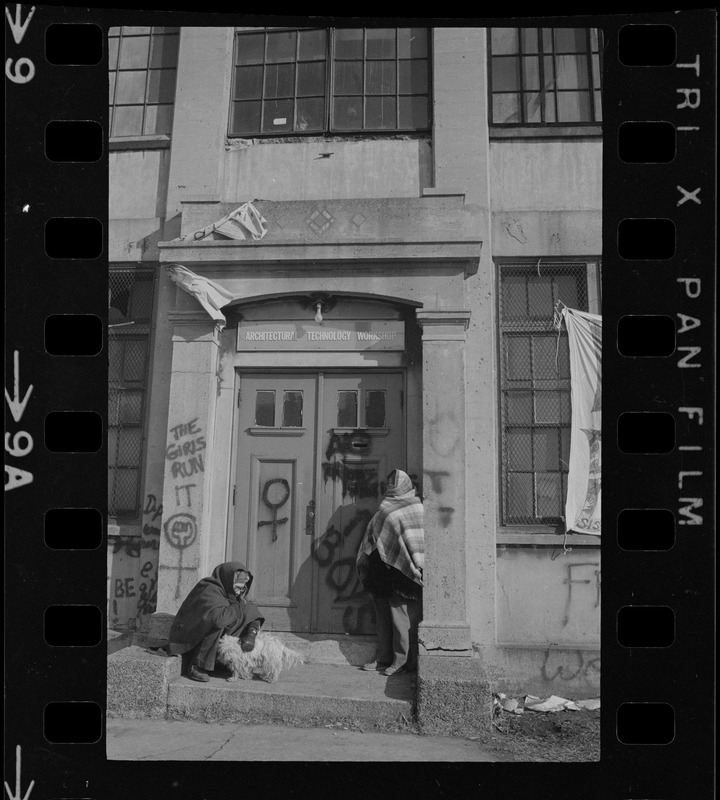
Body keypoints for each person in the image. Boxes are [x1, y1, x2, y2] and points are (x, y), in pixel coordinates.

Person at [356, 469, 424, 676]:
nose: (389, 486)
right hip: (381, 571)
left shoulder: (416, 507)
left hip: (403, 573)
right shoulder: (385, 507)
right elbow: (374, 536)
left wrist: (416, 564)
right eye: (389, 482)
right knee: (384, 616)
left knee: (400, 616)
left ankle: (402, 662)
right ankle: (382, 658)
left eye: (393, 483)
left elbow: (417, 540)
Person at [166, 561, 265, 682]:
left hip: (209, 635)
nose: (240, 592)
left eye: (243, 588)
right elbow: (217, 620)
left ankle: (218, 663)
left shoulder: (233, 593)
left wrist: (252, 633)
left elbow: (251, 611)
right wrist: (235, 606)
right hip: (190, 635)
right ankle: (197, 665)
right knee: (218, 622)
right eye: (238, 587)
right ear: (228, 580)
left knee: (243, 611)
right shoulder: (208, 588)